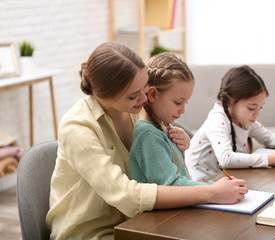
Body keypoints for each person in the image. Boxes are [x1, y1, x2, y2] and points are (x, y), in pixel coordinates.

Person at [46, 42, 248, 240]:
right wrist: (210, 192)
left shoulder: (135, 112)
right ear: (105, 95)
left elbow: (156, 166)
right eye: (134, 96)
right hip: (92, 233)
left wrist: (180, 144)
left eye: (145, 87)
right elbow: (126, 195)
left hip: (138, 224)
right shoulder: (78, 128)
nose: (145, 98)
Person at [185, 65, 275, 182]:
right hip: (203, 184)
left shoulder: (243, 120)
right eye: (252, 108)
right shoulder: (217, 120)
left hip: (224, 180)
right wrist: (270, 159)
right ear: (229, 101)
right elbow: (226, 158)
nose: (257, 114)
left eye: (260, 108)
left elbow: (268, 137)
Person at [130, 53, 209, 186]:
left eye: (186, 103)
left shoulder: (162, 128)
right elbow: (172, 184)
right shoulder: (148, 135)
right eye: (178, 102)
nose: (183, 110)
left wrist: (181, 147)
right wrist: (213, 189)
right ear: (153, 94)